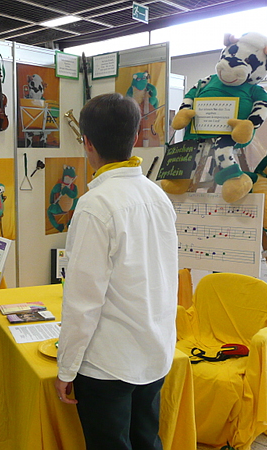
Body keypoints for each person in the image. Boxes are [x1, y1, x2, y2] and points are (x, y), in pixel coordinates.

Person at [55, 93, 178, 450]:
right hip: (155, 350)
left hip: (108, 363)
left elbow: (82, 300)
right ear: (135, 137)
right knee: (146, 440)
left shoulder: (95, 205)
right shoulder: (158, 196)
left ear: (87, 143)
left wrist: (66, 368)